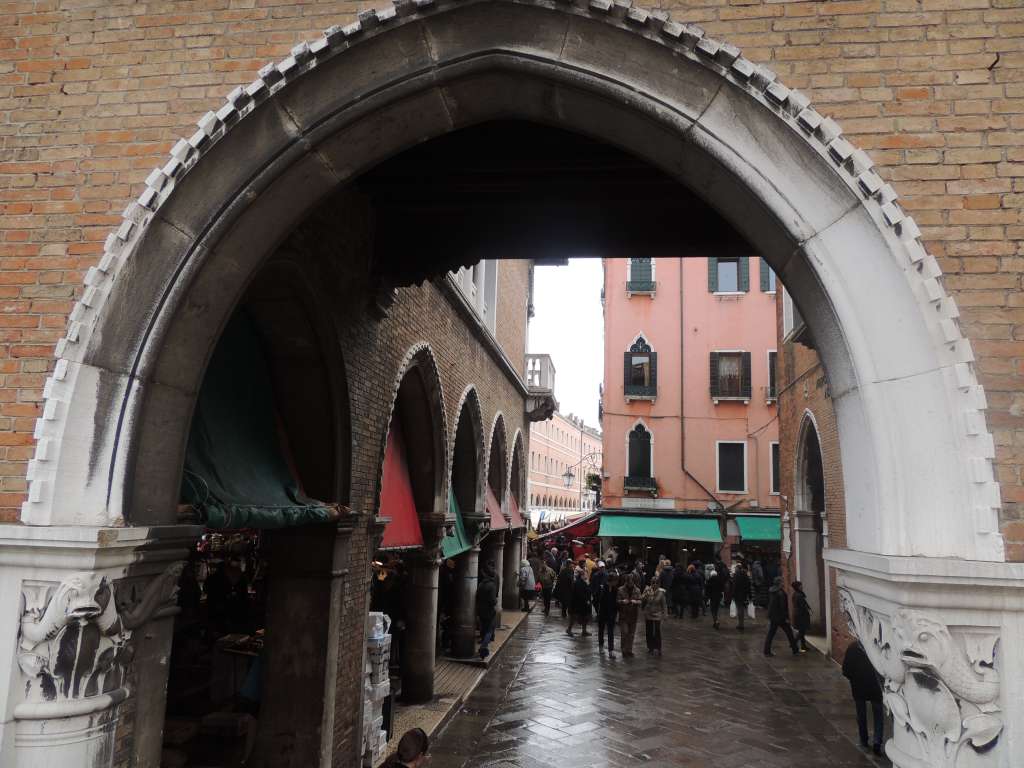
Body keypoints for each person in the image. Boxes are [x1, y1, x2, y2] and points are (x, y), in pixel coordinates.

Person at [842, 639, 884, 756]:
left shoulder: (852, 648)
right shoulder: (877, 647)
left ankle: (864, 740)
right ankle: (877, 742)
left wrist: (853, 679)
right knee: (878, 714)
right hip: (875, 687)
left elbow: (845, 670)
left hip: (858, 686)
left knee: (861, 714)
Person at [764, 576, 800, 656]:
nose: (783, 583)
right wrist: (786, 618)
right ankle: (795, 649)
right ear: (780, 583)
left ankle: (766, 651)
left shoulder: (772, 590)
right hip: (780, 617)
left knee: (771, 633)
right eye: (782, 581)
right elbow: (783, 607)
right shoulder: (781, 593)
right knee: (789, 633)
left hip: (773, 616)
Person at [476, 560, 499, 659]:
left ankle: (483, 644)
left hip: (481, 609)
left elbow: (477, 596)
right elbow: (493, 600)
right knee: (489, 630)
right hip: (489, 610)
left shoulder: (481, 584)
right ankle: (483, 647)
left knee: (484, 628)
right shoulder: (492, 585)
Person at [616, 572, 641, 657]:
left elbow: (640, 601)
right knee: (624, 633)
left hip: (633, 615)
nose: (630, 584)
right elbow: (617, 601)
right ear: (626, 582)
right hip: (624, 615)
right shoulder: (620, 590)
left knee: (631, 634)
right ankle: (624, 650)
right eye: (629, 582)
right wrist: (622, 601)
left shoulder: (637, 590)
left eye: (632, 582)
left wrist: (636, 601)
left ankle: (629, 650)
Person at [641, 576, 667, 655]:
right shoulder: (647, 590)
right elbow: (642, 599)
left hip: (657, 614)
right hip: (648, 613)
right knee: (649, 631)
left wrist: (665, 614)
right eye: (653, 583)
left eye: (656, 583)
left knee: (657, 631)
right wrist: (646, 594)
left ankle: (658, 648)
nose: (654, 585)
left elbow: (664, 605)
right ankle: (650, 647)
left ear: (659, 584)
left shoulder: (661, 592)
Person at [596, 569, 619, 655]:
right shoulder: (603, 588)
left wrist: (615, 613)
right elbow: (599, 600)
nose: (617, 583)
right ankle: (601, 646)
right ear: (612, 581)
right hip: (602, 613)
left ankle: (611, 650)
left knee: (610, 631)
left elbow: (615, 602)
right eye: (615, 581)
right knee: (601, 630)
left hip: (611, 614)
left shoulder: (615, 589)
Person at [567, 567, 592, 637]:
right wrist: (586, 600)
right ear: (581, 575)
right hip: (577, 604)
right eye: (585, 575)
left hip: (583, 604)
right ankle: (569, 629)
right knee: (574, 617)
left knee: (585, 617)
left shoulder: (584, 582)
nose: (586, 576)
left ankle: (584, 631)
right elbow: (580, 593)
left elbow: (588, 590)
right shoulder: (578, 583)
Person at [792, 580, 811, 652]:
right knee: (801, 632)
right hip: (801, 615)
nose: (802, 587)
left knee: (802, 631)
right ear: (797, 587)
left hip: (798, 614)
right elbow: (802, 606)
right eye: (800, 585)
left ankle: (803, 646)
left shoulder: (796, 594)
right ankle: (793, 643)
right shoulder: (799, 595)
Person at [733, 562, 751, 631]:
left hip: (737, 594)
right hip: (743, 594)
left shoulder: (736, 575)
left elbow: (734, 586)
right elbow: (748, 585)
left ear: (737, 568)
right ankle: (741, 624)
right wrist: (749, 595)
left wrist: (733, 594)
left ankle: (740, 624)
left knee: (739, 609)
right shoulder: (745, 574)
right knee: (742, 609)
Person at [705, 565, 724, 629]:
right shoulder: (719, 580)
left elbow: (707, 590)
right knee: (716, 609)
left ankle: (716, 621)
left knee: (712, 610)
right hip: (718, 597)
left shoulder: (709, 580)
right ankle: (715, 621)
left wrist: (707, 597)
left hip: (712, 597)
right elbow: (722, 588)